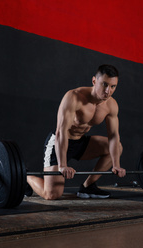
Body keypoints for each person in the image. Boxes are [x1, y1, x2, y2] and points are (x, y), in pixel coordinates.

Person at [27, 64, 126, 200]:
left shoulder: (111, 105)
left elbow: (114, 136)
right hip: (59, 143)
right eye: (104, 84)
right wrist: (62, 165)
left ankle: (88, 186)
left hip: (80, 142)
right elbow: (61, 131)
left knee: (117, 147)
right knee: (51, 195)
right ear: (94, 81)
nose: (108, 91)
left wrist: (116, 165)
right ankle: (25, 176)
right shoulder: (74, 97)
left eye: (113, 86)